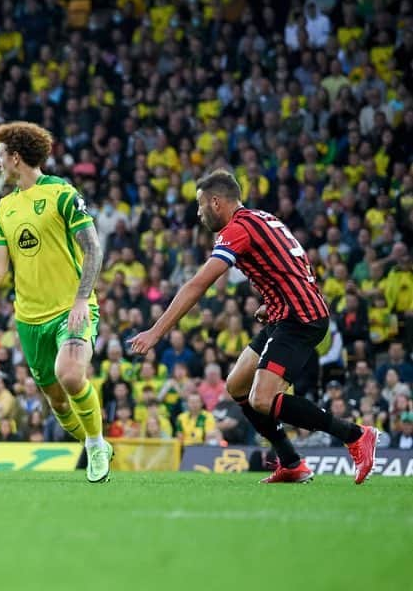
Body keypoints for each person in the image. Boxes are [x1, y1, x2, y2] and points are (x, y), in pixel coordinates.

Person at [128, 169, 377, 484]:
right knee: (237, 386)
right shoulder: (261, 218)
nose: (198, 213)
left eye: (200, 205)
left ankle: (355, 435)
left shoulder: (237, 229)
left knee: (262, 399)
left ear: (216, 202)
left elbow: (197, 285)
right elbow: (293, 262)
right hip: (283, 312)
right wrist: (274, 299)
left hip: (299, 319)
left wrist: (155, 332)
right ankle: (290, 462)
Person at [0, 122, 112, 483]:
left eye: (1, 155)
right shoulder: (5, 208)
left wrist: (81, 300)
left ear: (16, 158)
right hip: (29, 320)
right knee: (58, 402)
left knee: (71, 374)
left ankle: (94, 445)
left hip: (70, 309)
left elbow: (93, 247)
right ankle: (97, 443)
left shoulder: (62, 193)